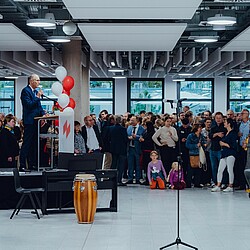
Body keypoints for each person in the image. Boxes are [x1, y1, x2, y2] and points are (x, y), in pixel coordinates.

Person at [19, 74, 44, 171]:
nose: (39, 82)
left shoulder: (35, 92)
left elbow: (38, 106)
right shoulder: (26, 91)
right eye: (37, 80)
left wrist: (43, 114)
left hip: (36, 121)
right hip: (29, 121)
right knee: (27, 143)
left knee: (34, 143)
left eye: (39, 80)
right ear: (31, 81)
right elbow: (29, 105)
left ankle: (32, 164)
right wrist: (37, 97)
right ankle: (22, 165)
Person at [211, 118, 238, 192]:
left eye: (225, 122)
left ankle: (230, 185)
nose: (224, 123)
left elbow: (233, 145)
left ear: (229, 124)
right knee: (220, 169)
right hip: (224, 153)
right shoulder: (226, 133)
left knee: (230, 169)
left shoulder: (233, 133)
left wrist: (224, 144)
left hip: (231, 153)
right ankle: (218, 185)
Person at [109, 115, 128, 186]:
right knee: (121, 165)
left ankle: (112, 179)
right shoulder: (123, 129)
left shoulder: (111, 128)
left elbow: (109, 138)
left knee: (113, 164)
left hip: (113, 149)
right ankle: (119, 180)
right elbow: (125, 139)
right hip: (122, 149)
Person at [127, 116, 145, 184]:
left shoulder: (142, 129)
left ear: (137, 121)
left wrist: (136, 137)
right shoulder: (129, 128)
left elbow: (142, 137)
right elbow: (126, 135)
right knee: (130, 164)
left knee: (138, 164)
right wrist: (129, 138)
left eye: (132, 120)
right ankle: (130, 178)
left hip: (138, 148)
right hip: (130, 148)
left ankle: (138, 178)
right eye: (130, 120)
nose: (131, 122)